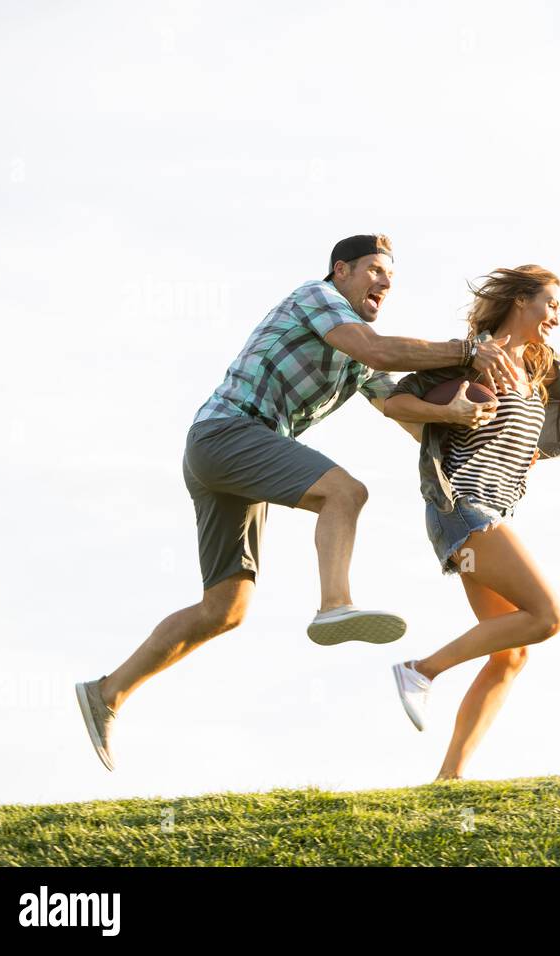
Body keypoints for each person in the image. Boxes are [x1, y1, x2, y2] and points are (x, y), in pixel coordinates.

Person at [75, 234, 518, 772]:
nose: (384, 283)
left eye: (391, 278)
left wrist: (460, 424)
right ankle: (335, 605)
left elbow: (398, 405)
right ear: (341, 271)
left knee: (225, 609)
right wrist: (467, 350)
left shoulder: (359, 348)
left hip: (231, 456)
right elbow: (374, 349)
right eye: (374, 270)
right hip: (227, 432)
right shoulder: (316, 299)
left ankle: (108, 693)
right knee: (345, 491)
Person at [373, 264, 560, 780]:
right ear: (521, 301)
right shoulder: (472, 356)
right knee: (547, 616)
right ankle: (421, 670)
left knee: (511, 654)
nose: (556, 316)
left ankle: (448, 778)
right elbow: (393, 399)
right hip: (463, 505)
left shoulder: (541, 368)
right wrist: (452, 414)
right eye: (550, 303)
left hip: (490, 511)